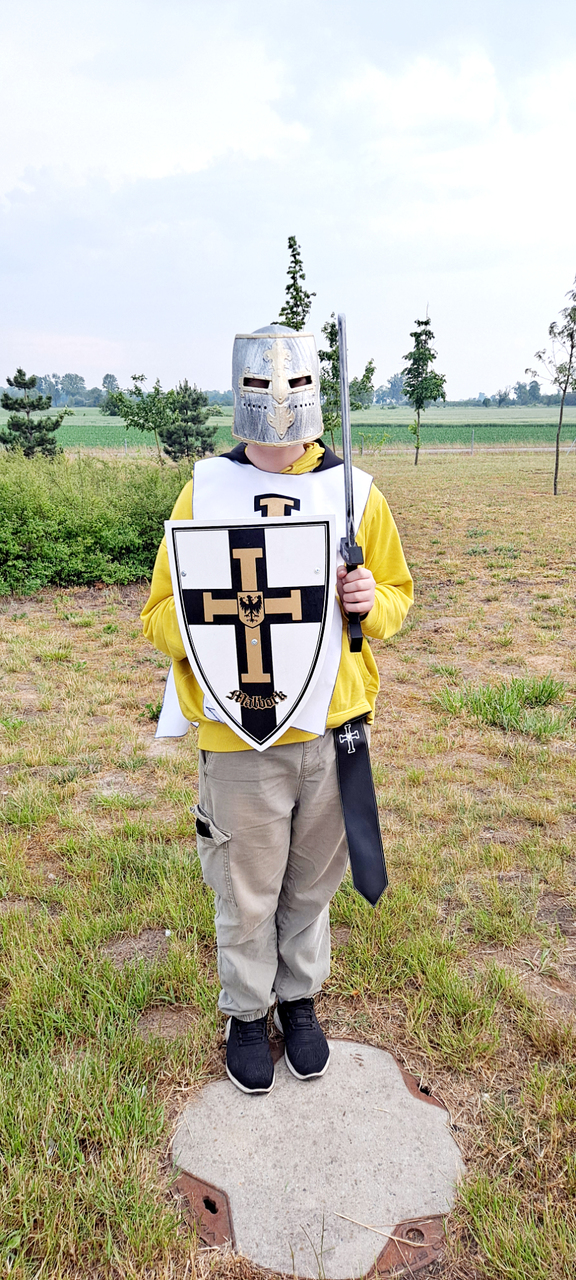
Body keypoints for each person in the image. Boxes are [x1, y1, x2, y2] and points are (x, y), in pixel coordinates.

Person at [141, 324, 413, 1095]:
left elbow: (396, 599)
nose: (279, 410)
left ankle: (298, 1002)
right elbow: (158, 614)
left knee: (311, 880)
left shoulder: (355, 493)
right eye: (262, 388)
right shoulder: (205, 491)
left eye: (291, 389)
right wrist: (207, 622)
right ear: (241, 396)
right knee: (245, 882)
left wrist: (368, 599)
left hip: (331, 726)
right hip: (240, 731)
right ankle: (245, 1012)